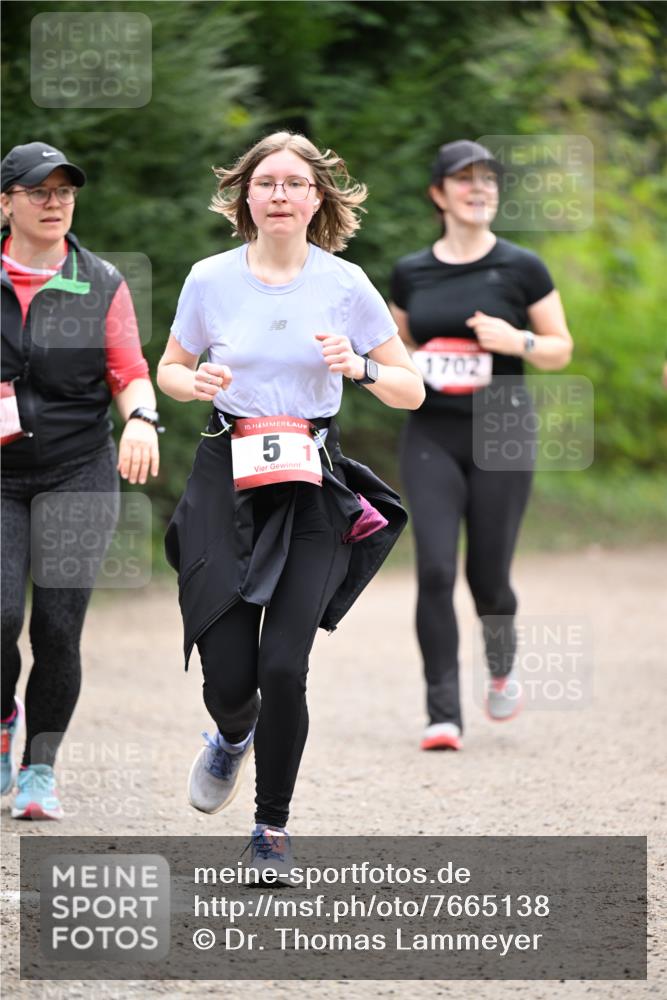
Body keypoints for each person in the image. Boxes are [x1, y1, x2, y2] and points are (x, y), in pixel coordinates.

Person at [158, 130, 424, 876]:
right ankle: (231, 735)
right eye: (266, 182)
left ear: (317, 199)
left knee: (284, 666)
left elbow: (411, 388)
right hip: (226, 471)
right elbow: (172, 367)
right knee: (229, 680)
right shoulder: (210, 279)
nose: (279, 193)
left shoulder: (344, 284)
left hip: (310, 479)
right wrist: (193, 383)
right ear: (245, 196)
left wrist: (362, 365)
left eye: (294, 184)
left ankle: (270, 828)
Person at [390, 139, 573, 752]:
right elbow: (396, 348)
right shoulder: (411, 272)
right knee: (436, 569)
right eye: (464, 180)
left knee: (488, 576)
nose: (480, 189)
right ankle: (442, 713)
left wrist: (513, 339)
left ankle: (501, 665)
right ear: (438, 194)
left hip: (502, 427)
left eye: (488, 180)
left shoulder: (523, 267)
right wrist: (409, 361)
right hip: (431, 431)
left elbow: (560, 348)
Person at [1, 141, 161, 819]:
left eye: (64, 190)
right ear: (6, 201)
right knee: (1, 614)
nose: (54, 201)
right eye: (38, 190)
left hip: (77, 468)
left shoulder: (100, 281)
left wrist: (144, 420)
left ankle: (39, 770)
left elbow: (128, 369)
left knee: (58, 630)